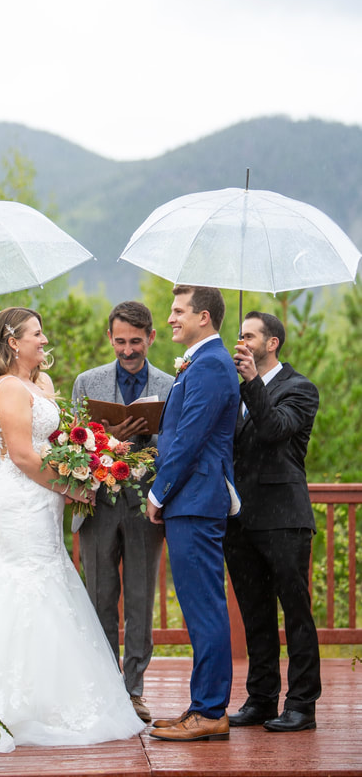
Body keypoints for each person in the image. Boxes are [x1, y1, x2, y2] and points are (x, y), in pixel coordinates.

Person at [0, 307, 145, 754]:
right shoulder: (6, 388)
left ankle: (49, 694)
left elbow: (62, 439)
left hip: (44, 499)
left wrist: (97, 453)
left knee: (52, 578)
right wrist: (72, 486)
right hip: (20, 498)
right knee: (21, 579)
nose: (44, 341)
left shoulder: (40, 384)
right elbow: (24, 456)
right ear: (13, 342)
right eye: (37, 334)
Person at [71, 301, 174, 722]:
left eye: (135, 341)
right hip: (97, 504)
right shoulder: (86, 381)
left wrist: (152, 436)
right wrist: (107, 436)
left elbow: (178, 443)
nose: (128, 350)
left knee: (138, 599)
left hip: (146, 505)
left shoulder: (170, 384)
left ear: (150, 337)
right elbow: (70, 442)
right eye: (120, 341)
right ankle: (105, 688)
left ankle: (133, 690)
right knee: (99, 598)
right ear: (109, 338)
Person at [146, 285, 240, 742]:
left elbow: (188, 438)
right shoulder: (202, 363)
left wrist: (158, 493)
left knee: (204, 608)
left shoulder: (210, 366)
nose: (170, 318)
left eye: (178, 311)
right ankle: (201, 706)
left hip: (195, 500)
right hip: (193, 500)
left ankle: (210, 710)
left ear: (204, 317)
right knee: (199, 606)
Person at [224, 311, 321, 732]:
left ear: (272, 343)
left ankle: (302, 706)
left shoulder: (300, 389)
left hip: (284, 520)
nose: (241, 342)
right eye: (239, 335)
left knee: (296, 614)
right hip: (240, 520)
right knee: (255, 615)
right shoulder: (237, 388)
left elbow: (275, 429)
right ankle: (261, 699)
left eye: (249, 336)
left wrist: (250, 384)